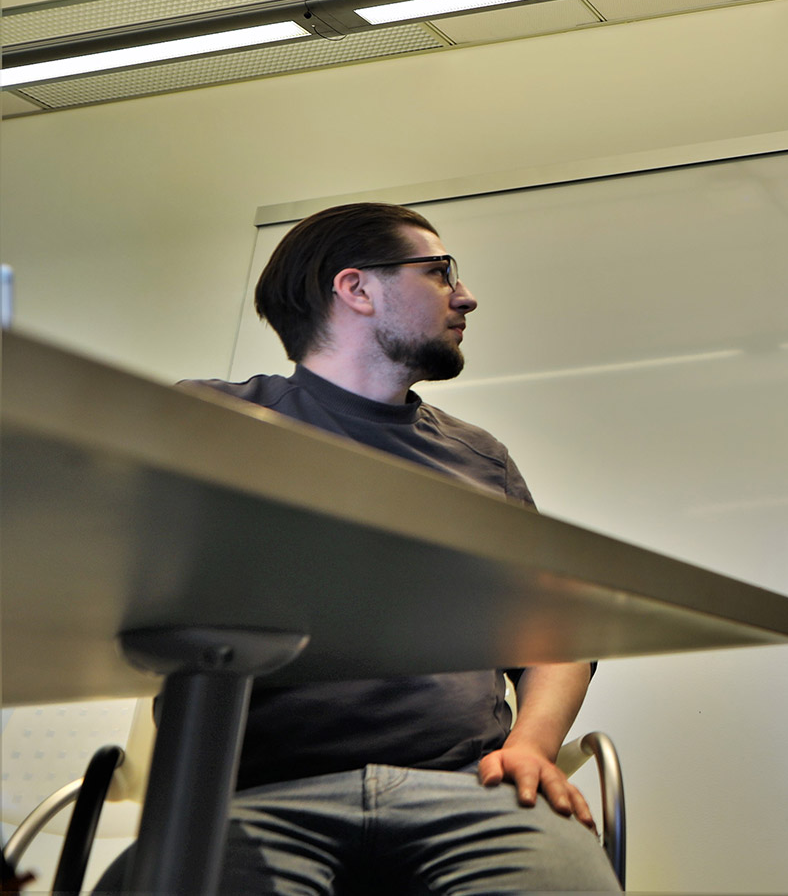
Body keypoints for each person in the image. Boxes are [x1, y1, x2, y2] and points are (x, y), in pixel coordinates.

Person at [99, 202, 618, 895]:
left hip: (469, 791)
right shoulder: (212, 421)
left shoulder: (479, 458)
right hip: (259, 799)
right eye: (439, 272)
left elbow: (560, 631)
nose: (464, 295)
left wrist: (530, 746)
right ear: (357, 288)